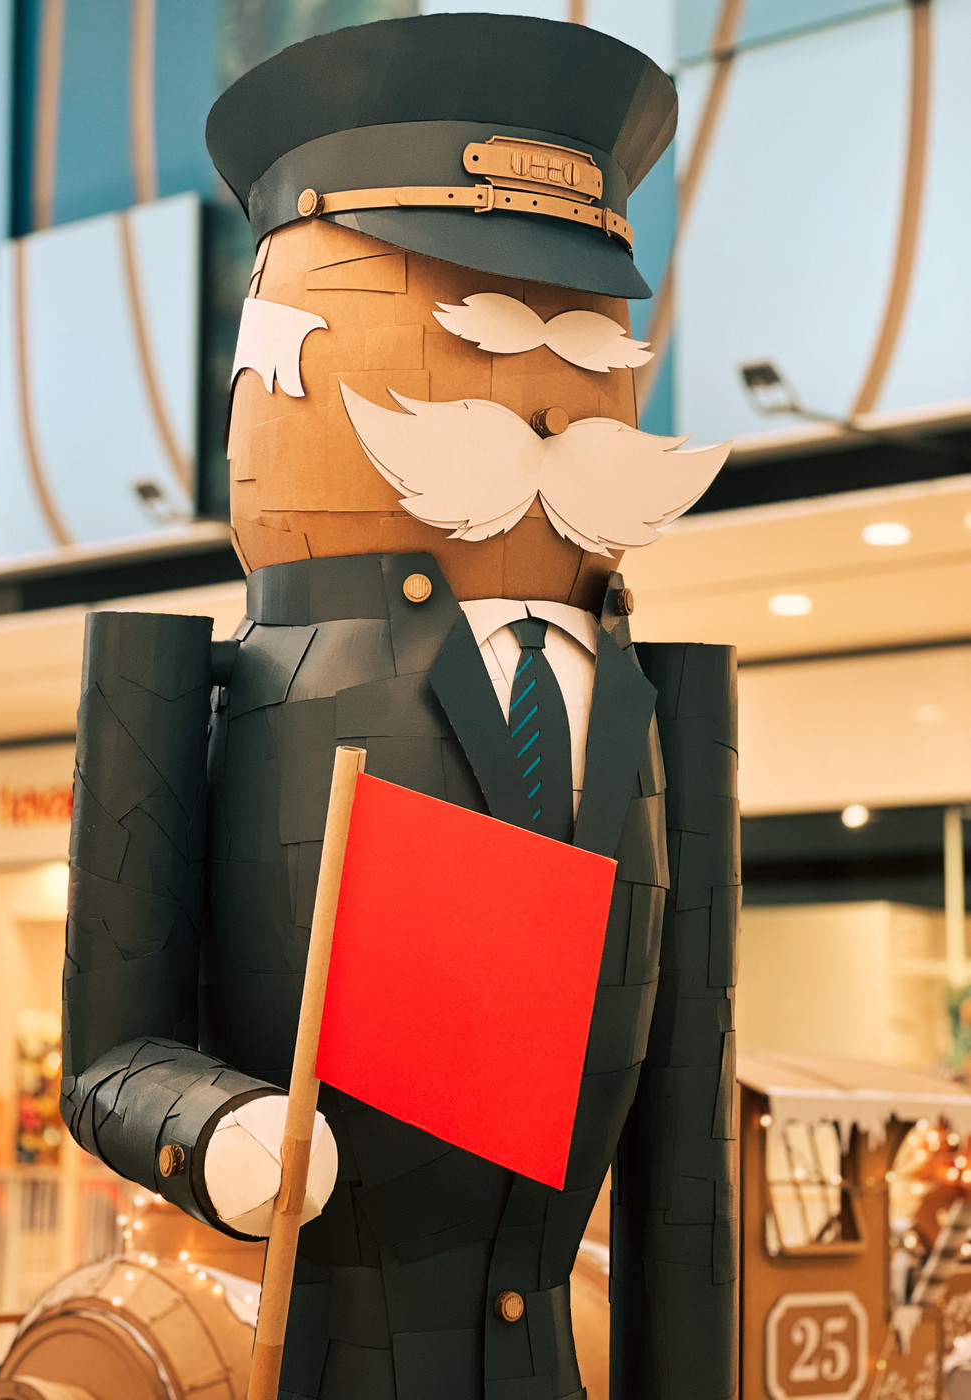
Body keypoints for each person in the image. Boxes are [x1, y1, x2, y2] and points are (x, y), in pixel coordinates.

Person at [61, 15, 740, 1399]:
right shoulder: (212, 686)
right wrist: (222, 1129)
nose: (541, 385)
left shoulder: (653, 699)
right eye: (474, 320)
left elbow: (681, 1157)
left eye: (575, 336)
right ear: (285, 344)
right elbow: (108, 1059)